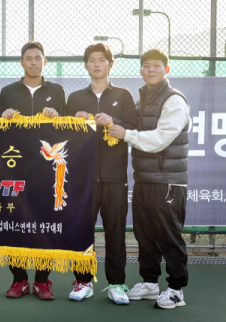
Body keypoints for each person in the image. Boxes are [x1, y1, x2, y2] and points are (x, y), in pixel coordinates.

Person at [109, 49, 190, 310]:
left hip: (168, 182)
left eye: (156, 66)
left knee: (169, 236)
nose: (151, 70)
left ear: (167, 70)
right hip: (144, 179)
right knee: (145, 235)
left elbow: (159, 139)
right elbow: (130, 125)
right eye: (146, 66)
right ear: (141, 70)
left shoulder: (174, 100)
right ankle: (150, 283)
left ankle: (176, 290)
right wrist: (109, 121)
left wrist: (126, 134)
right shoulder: (142, 101)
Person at [65, 43, 136, 304]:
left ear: (110, 64)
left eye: (101, 60)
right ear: (85, 65)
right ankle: (83, 282)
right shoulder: (75, 98)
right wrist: (75, 119)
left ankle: (117, 284)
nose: (96, 64)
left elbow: (133, 128)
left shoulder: (124, 95)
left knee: (116, 232)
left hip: (115, 178)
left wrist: (113, 122)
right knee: (81, 231)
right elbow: (61, 134)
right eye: (91, 60)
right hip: (83, 180)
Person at [0, 41, 67, 300]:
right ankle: (19, 280)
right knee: (14, 224)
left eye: (38, 58)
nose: (33, 62)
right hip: (14, 169)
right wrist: (2, 118)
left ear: (44, 62)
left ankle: (42, 281)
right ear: (21, 62)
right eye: (28, 58)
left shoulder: (58, 91)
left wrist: (57, 117)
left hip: (45, 172)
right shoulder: (7, 91)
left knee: (45, 225)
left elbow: (67, 130)